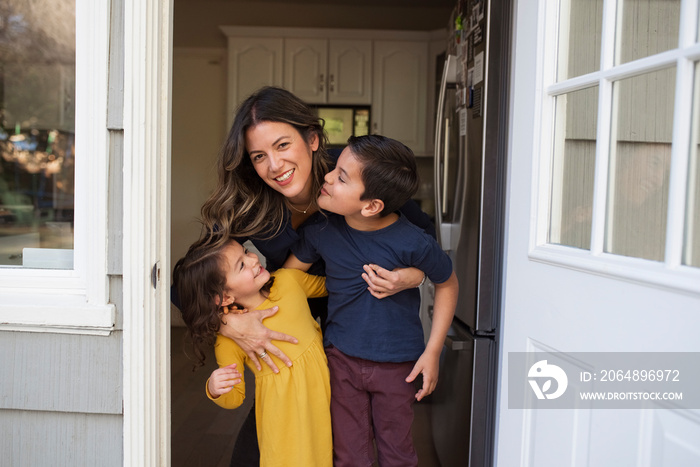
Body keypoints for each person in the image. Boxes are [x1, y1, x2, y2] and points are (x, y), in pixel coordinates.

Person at [183, 86, 434, 465]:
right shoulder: (246, 205)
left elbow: (424, 239)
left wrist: (412, 276)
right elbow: (186, 283)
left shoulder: (350, 174)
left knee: (362, 449)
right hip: (289, 348)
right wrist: (229, 324)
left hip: (359, 341)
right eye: (259, 156)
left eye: (283, 145)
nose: (274, 165)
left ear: (313, 140)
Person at [283, 134, 458, 467]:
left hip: (398, 367)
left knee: (397, 454)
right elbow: (288, 282)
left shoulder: (414, 242)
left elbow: (447, 284)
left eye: (341, 177)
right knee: (349, 455)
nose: (328, 177)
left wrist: (433, 351)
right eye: (334, 169)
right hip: (341, 360)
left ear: (371, 205)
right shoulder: (321, 231)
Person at [172, 235, 332, 467]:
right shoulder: (228, 340)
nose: (253, 259)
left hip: (322, 397)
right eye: (241, 265)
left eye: (246, 253)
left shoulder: (288, 280)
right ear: (225, 297)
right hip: (282, 419)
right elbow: (234, 398)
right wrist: (215, 388)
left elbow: (331, 286)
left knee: (323, 456)